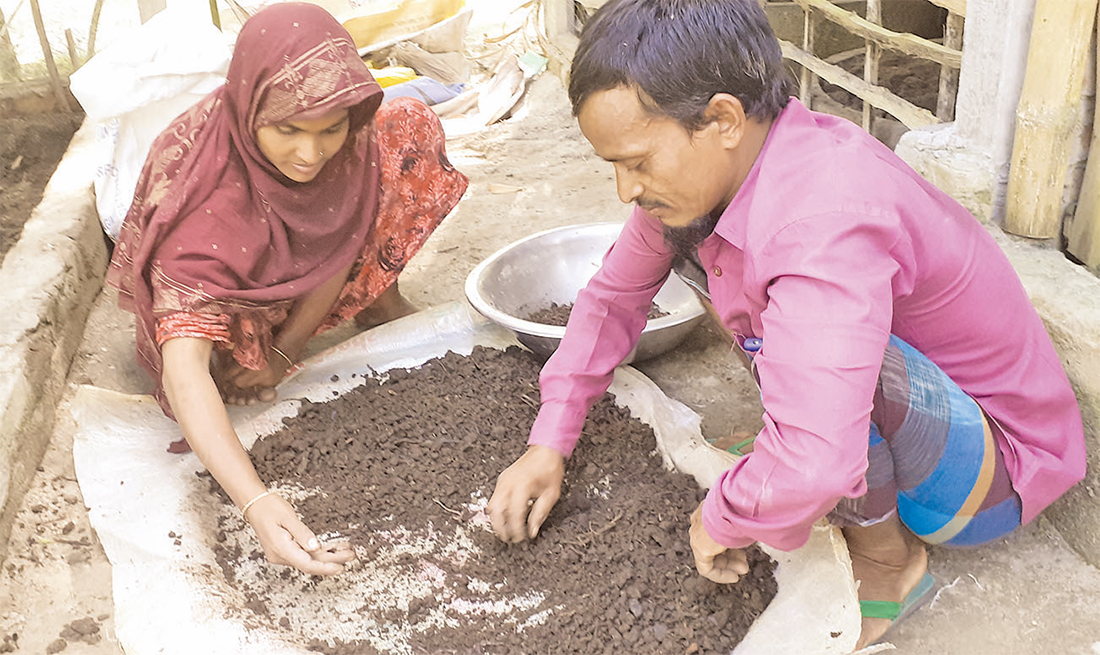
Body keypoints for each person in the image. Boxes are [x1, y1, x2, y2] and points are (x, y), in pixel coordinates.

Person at [485, 0, 1085, 648]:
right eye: (614, 167)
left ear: (721, 119)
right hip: (918, 415)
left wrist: (727, 513)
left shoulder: (824, 215)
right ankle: (809, 467)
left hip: (994, 471)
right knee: (757, 318)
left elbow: (820, 453)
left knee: (801, 368)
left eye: (636, 162)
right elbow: (611, 300)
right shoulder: (708, 181)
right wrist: (549, 440)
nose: (625, 189)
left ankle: (889, 564)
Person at [108, 3, 468, 576]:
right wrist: (256, 502)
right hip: (231, 313)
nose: (310, 152)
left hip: (296, 276)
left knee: (407, 127)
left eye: (329, 129)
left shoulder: (345, 135)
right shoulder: (205, 196)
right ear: (251, 108)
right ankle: (262, 351)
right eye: (287, 130)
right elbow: (184, 364)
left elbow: (339, 231)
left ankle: (378, 300)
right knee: (221, 372)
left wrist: (288, 351)